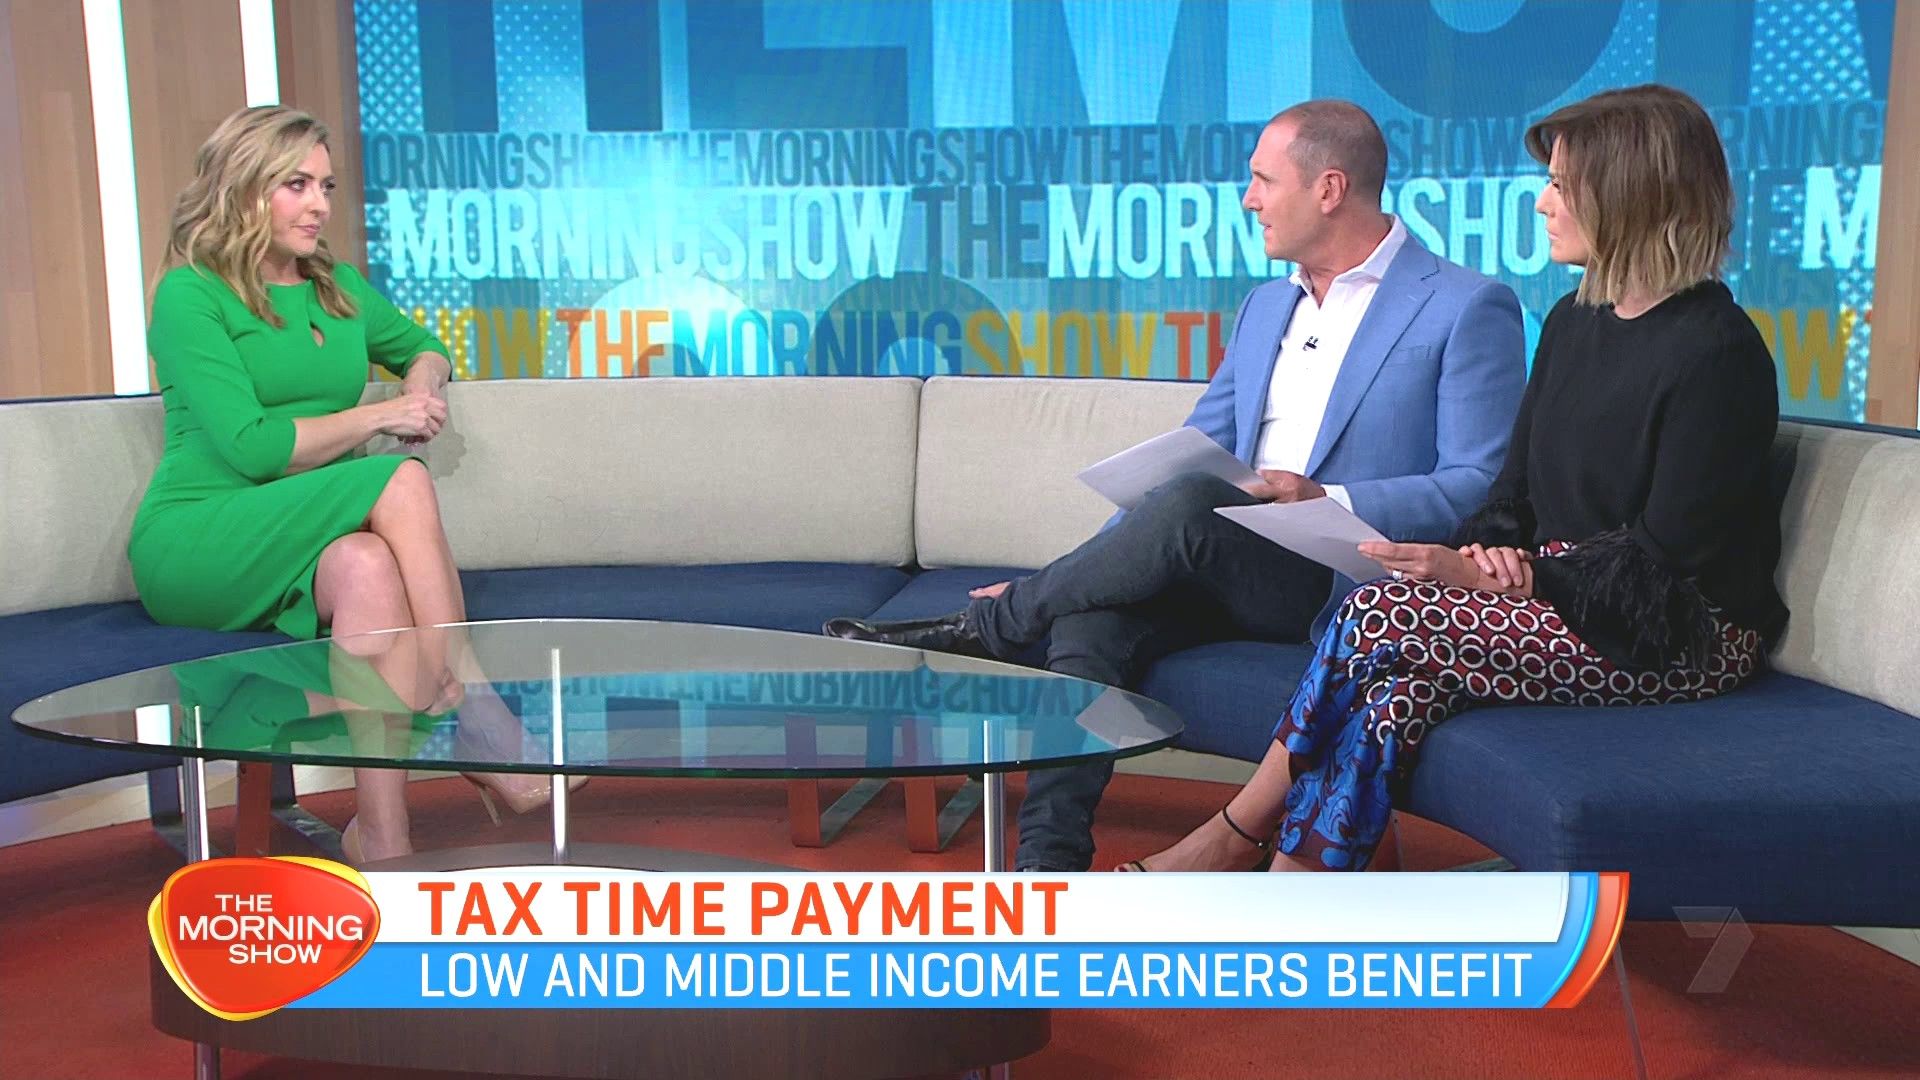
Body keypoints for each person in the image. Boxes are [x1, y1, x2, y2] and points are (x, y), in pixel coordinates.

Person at [825, 100, 1527, 872]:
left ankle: (995, 626)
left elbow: (1479, 483)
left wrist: (1328, 501)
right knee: (1092, 616)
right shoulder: (1268, 305)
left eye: (1263, 180)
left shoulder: (1464, 304)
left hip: (1343, 580)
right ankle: (1047, 871)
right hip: (1226, 560)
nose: (1249, 200)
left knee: (1193, 507)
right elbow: (1190, 461)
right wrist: (1080, 574)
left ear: (1329, 189)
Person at [1125, 84, 1790, 874]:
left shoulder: (1719, 354)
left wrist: (1515, 578)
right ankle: (1295, 884)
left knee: (1378, 614)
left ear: (1630, 195)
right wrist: (1489, 554)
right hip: (1564, 598)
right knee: (1396, 694)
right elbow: (1512, 491)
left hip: (1677, 634)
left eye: (1562, 185)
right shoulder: (1575, 319)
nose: (1542, 203)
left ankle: (1231, 834)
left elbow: (1664, 563)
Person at [131, 105, 558, 865]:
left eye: (325, 186)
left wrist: (422, 386)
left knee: (367, 565)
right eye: (295, 184)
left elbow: (424, 346)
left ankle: (382, 836)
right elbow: (253, 449)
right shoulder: (190, 294)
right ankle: (478, 713)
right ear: (243, 188)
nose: (320, 204)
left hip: (304, 532)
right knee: (398, 477)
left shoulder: (337, 287)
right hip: (203, 534)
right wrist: (382, 417)